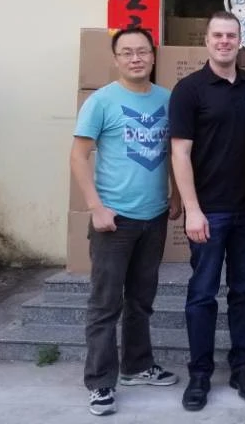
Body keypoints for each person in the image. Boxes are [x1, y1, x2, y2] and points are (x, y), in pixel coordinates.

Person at [70, 27, 181, 417]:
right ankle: (101, 382)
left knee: (141, 299)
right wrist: (96, 208)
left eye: (143, 51)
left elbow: (174, 152)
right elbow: (78, 156)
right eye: (127, 52)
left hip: (154, 216)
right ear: (116, 59)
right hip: (114, 220)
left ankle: (137, 366)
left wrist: (176, 194)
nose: (136, 58)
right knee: (105, 304)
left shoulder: (167, 99)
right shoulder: (101, 101)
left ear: (153, 55)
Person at [168, 12, 245, 411]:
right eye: (218, 35)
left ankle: (243, 368)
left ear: (240, 42)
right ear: (206, 41)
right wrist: (192, 209)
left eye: (231, 35)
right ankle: (200, 373)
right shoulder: (188, 90)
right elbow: (179, 153)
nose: (224, 41)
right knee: (202, 295)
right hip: (208, 212)